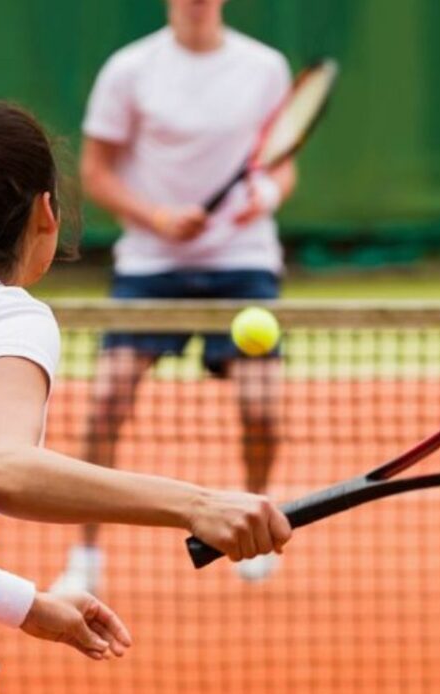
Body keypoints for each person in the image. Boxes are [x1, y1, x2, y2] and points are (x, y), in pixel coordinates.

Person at [0, 101, 292, 694]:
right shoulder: (3, 316)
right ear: (45, 211)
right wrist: (198, 504)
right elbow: (0, 469)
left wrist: (27, 604)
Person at [50, 0, 297, 590]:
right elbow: (97, 169)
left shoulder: (264, 67)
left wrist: (265, 198)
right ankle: (85, 557)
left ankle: (255, 518)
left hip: (243, 265)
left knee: (262, 410)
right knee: (107, 403)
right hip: (151, 265)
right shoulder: (129, 70)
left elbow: (281, 165)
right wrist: (157, 217)